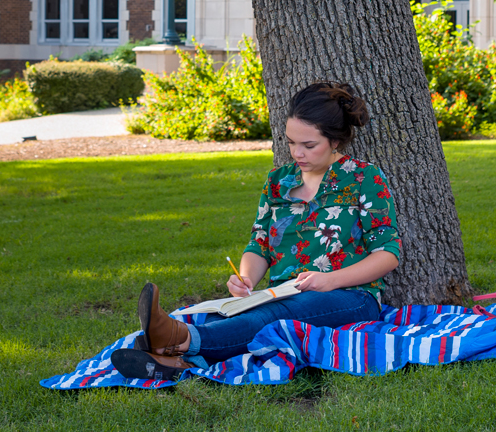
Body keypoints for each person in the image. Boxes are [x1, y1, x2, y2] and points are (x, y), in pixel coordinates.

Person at [111, 82, 402, 382]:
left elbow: (387, 254)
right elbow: (260, 244)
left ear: (335, 141)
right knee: (223, 315)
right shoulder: (278, 181)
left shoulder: (364, 178)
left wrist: (329, 280)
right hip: (279, 292)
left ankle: (180, 341)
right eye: (290, 142)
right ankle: (175, 359)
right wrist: (246, 276)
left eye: (308, 145)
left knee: (278, 317)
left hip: (350, 296)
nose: (297, 153)